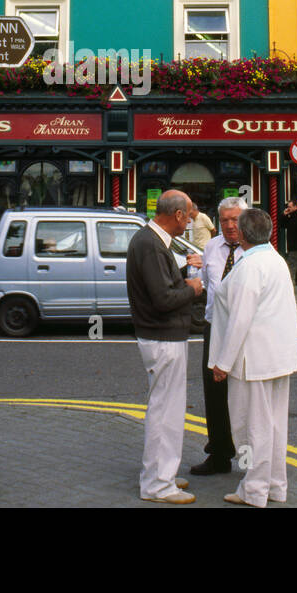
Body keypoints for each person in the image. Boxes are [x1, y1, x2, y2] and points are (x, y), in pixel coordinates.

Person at [208, 208, 297, 507]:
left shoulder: (250, 266)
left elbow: (239, 320)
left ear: (244, 235)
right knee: (273, 427)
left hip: (251, 361)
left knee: (249, 429)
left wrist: (223, 362)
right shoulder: (275, 260)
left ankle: (253, 489)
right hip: (276, 357)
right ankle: (274, 485)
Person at [126, 188, 204, 503]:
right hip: (162, 336)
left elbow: (161, 285)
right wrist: (194, 288)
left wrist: (183, 274)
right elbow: (162, 299)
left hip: (161, 336)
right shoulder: (151, 245)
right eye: (188, 215)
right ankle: (157, 485)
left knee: (167, 410)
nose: (189, 222)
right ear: (177, 215)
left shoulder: (151, 241)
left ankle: (162, 474)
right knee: (165, 413)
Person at [189, 196, 244, 476]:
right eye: (225, 220)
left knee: (245, 394)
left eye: (235, 219)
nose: (230, 225)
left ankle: (252, 458)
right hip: (214, 328)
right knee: (214, 392)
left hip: (245, 331)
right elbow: (208, 286)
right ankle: (219, 454)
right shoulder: (211, 247)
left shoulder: (256, 250)